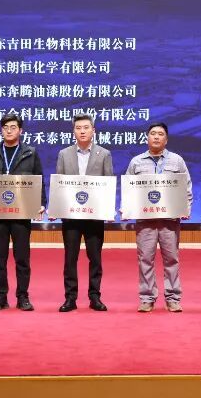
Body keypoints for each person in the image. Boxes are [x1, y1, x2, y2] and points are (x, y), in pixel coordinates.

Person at [0, 113, 46, 312]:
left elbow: (39, 180)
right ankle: (0, 296)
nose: (9, 130)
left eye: (13, 127)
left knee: (22, 258)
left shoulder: (30, 153)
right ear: (1, 130)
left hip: (21, 213)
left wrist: (41, 203)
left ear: (20, 131)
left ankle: (23, 296)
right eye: (5, 127)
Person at [125, 122, 191, 312]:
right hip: (145, 220)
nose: (156, 137)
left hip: (169, 220)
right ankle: (147, 298)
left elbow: (186, 186)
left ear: (166, 139)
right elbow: (128, 189)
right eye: (152, 133)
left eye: (160, 134)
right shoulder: (137, 162)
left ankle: (173, 298)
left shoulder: (177, 161)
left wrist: (186, 208)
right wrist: (127, 209)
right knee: (145, 259)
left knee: (171, 259)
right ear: (147, 138)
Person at [55, 114, 113, 312]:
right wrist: (56, 207)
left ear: (93, 131)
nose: (82, 131)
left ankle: (95, 297)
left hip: (94, 216)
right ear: (73, 131)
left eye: (86, 127)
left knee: (95, 258)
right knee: (70, 258)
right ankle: (70, 298)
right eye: (78, 128)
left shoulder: (104, 154)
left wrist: (108, 210)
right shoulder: (64, 154)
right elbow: (59, 184)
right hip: (71, 216)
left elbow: (109, 184)